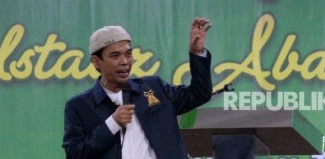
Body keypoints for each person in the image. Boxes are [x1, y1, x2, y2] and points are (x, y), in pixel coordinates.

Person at [62, 17, 213, 159]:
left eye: (128, 54)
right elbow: (74, 154)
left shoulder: (153, 87)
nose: (125, 61)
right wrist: (112, 124)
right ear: (96, 62)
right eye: (115, 55)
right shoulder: (79, 106)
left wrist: (197, 53)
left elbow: (200, 94)